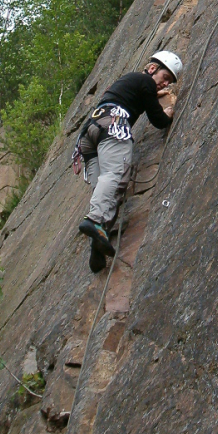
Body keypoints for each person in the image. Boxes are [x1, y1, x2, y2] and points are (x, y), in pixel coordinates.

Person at [76, 50, 182, 272]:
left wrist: (158, 94)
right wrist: (169, 112)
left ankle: (98, 238)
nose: (165, 83)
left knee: (106, 189)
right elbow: (159, 120)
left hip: (90, 135)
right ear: (152, 68)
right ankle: (96, 221)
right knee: (115, 176)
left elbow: (146, 100)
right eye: (165, 77)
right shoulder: (144, 80)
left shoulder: (131, 84)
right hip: (112, 124)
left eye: (169, 82)